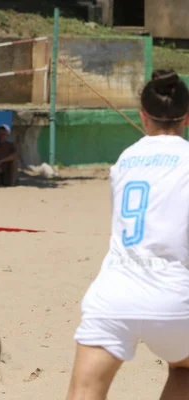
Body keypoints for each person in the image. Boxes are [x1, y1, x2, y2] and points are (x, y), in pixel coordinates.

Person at [66, 69, 189, 400]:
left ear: (143, 117)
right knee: (183, 369)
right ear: (186, 118)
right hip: (173, 297)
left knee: (84, 391)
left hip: (114, 292)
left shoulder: (124, 161)